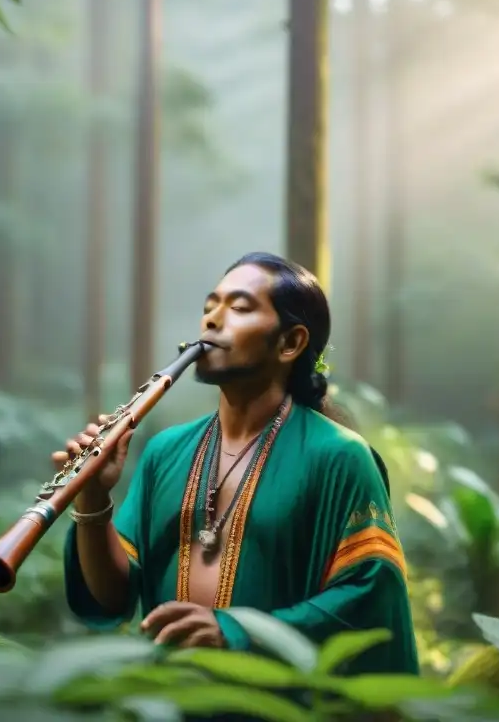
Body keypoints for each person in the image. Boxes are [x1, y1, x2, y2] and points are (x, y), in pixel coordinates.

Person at [54, 252, 418, 676]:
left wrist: (235, 633)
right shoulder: (164, 451)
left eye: (240, 308)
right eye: (210, 307)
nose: (211, 320)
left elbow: (370, 602)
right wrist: (92, 499)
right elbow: (112, 597)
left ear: (290, 343)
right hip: (166, 701)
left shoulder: (340, 455)